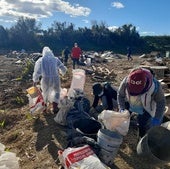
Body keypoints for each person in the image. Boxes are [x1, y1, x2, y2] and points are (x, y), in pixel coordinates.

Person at [117, 67, 166, 138]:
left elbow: (161, 102)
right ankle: (124, 131)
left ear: (145, 85)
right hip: (130, 102)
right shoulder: (126, 81)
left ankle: (141, 138)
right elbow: (120, 95)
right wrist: (121, 108)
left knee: (142, 124)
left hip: (146, 107)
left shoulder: (155, 86)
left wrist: (157, 118)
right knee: (123, 118)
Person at [32, 46, 67, 114]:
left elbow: (37, 72)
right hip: (56, 78)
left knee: (45, 93)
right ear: (51, 52)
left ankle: (44, 109)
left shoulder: (41, 60)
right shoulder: (55, 59)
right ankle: (55, 107)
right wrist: (62, 73)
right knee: (57, 92)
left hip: (46, 79)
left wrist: (35, 81)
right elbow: (63, 68)